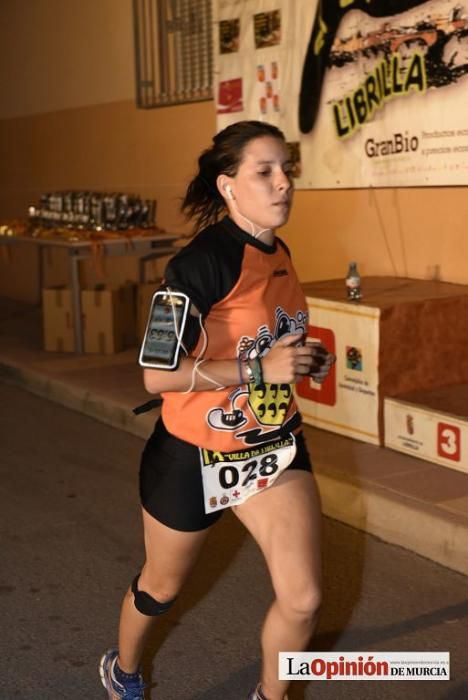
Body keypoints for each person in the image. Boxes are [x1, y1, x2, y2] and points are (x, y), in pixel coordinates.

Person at [99, 120, 335, 700]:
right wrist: (259, 371)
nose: (283, 183)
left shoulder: (279, 251)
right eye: (265, 172)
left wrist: (303, 358)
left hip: (269, 441)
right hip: (193, 451)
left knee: (303, 597)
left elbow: (264, 338)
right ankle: (123, 669)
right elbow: (157, 375)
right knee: (161, 588)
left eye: (287, 169)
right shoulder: (197, 265)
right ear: (228, 186)